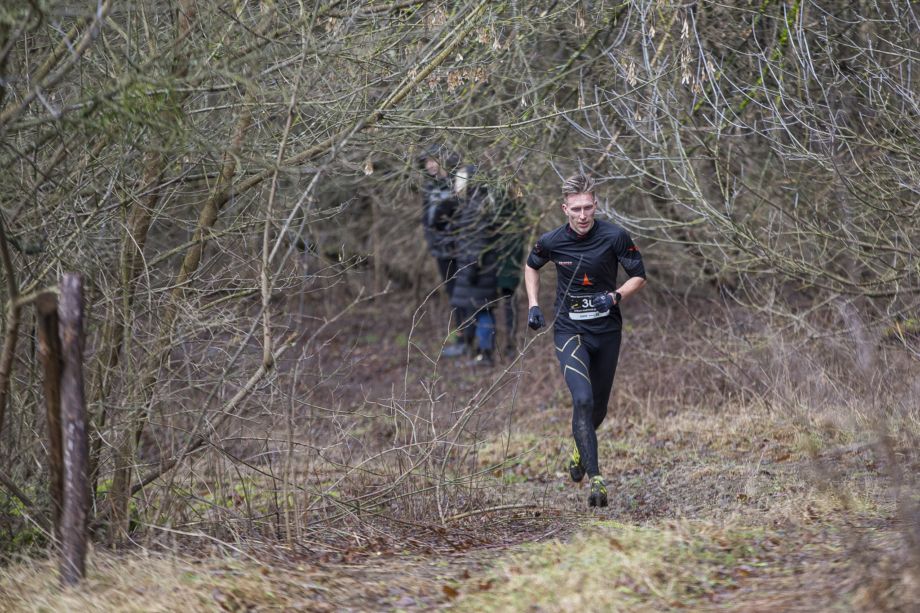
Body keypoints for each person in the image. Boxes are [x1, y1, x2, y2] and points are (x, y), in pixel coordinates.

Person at [524, 173, 647, 507]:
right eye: (576, 208)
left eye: (588, 208)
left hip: (607, 332)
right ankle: (597, 480)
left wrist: (615, 297)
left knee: (599, 408)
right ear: (565, 208)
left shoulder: (615, 236)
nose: (582, 215)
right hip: (569, 331)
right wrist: (534, 305)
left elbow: (639, 274)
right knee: (582, 400)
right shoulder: (551, 240)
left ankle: (579, 447)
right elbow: (531, 266)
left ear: (596, 206)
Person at [417, 144, 467, 357]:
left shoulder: (457, 184)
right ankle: (462, 338)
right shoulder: (429, 187)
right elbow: (426, 219)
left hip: (460, 249)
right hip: (441, 251)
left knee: (465, 293)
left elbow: (464, 216)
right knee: (452, 294)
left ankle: (469, 340)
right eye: (426, 161)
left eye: (433, 160)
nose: (429, 165)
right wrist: (432, 242)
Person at [449, 164, 500, 366]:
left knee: (483, 312)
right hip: (480, 271)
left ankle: (485, 355)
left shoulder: (477, 207)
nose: (457, 186)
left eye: (460, 182)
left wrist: (469, 271)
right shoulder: (478, 203)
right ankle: (481, 353)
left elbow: (476, 245)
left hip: (479, 273)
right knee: (480, 311)